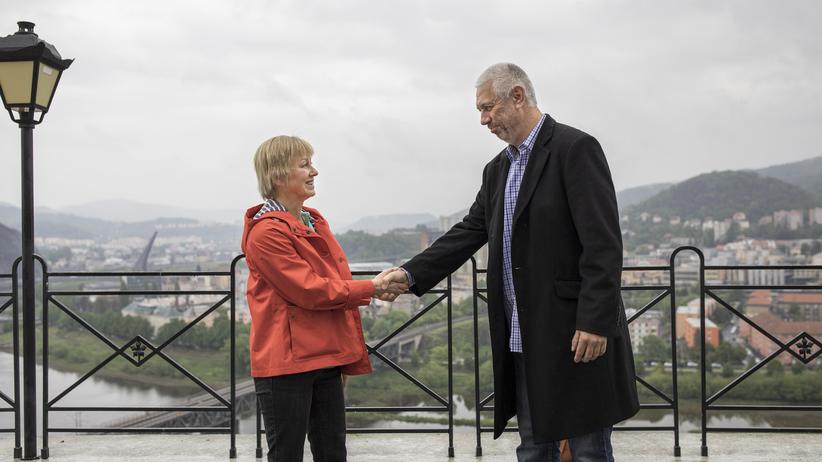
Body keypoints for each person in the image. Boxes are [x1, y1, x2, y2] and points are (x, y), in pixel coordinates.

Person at [385, 63, 639, 461]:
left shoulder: (575, 149)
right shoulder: (497, 169)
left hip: (574, 333)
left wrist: (594, 322)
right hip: (522, 336)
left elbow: (603, 245)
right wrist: (410, 273)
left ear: (517, 96)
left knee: (588, 450)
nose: (484, 120)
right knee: (533, 448)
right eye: (480, 111)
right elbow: (469, 231)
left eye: (488, 108)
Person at [241, 135, 405, 462]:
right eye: (304, 165)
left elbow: (333, 281)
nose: (314, 172)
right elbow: (309, 290)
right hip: (287, 362)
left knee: (332, 452)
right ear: (277, 176)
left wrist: (369, 289)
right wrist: (371, 288)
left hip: (325, 354)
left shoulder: (312, 220)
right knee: (286, 454)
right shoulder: (267, 232)